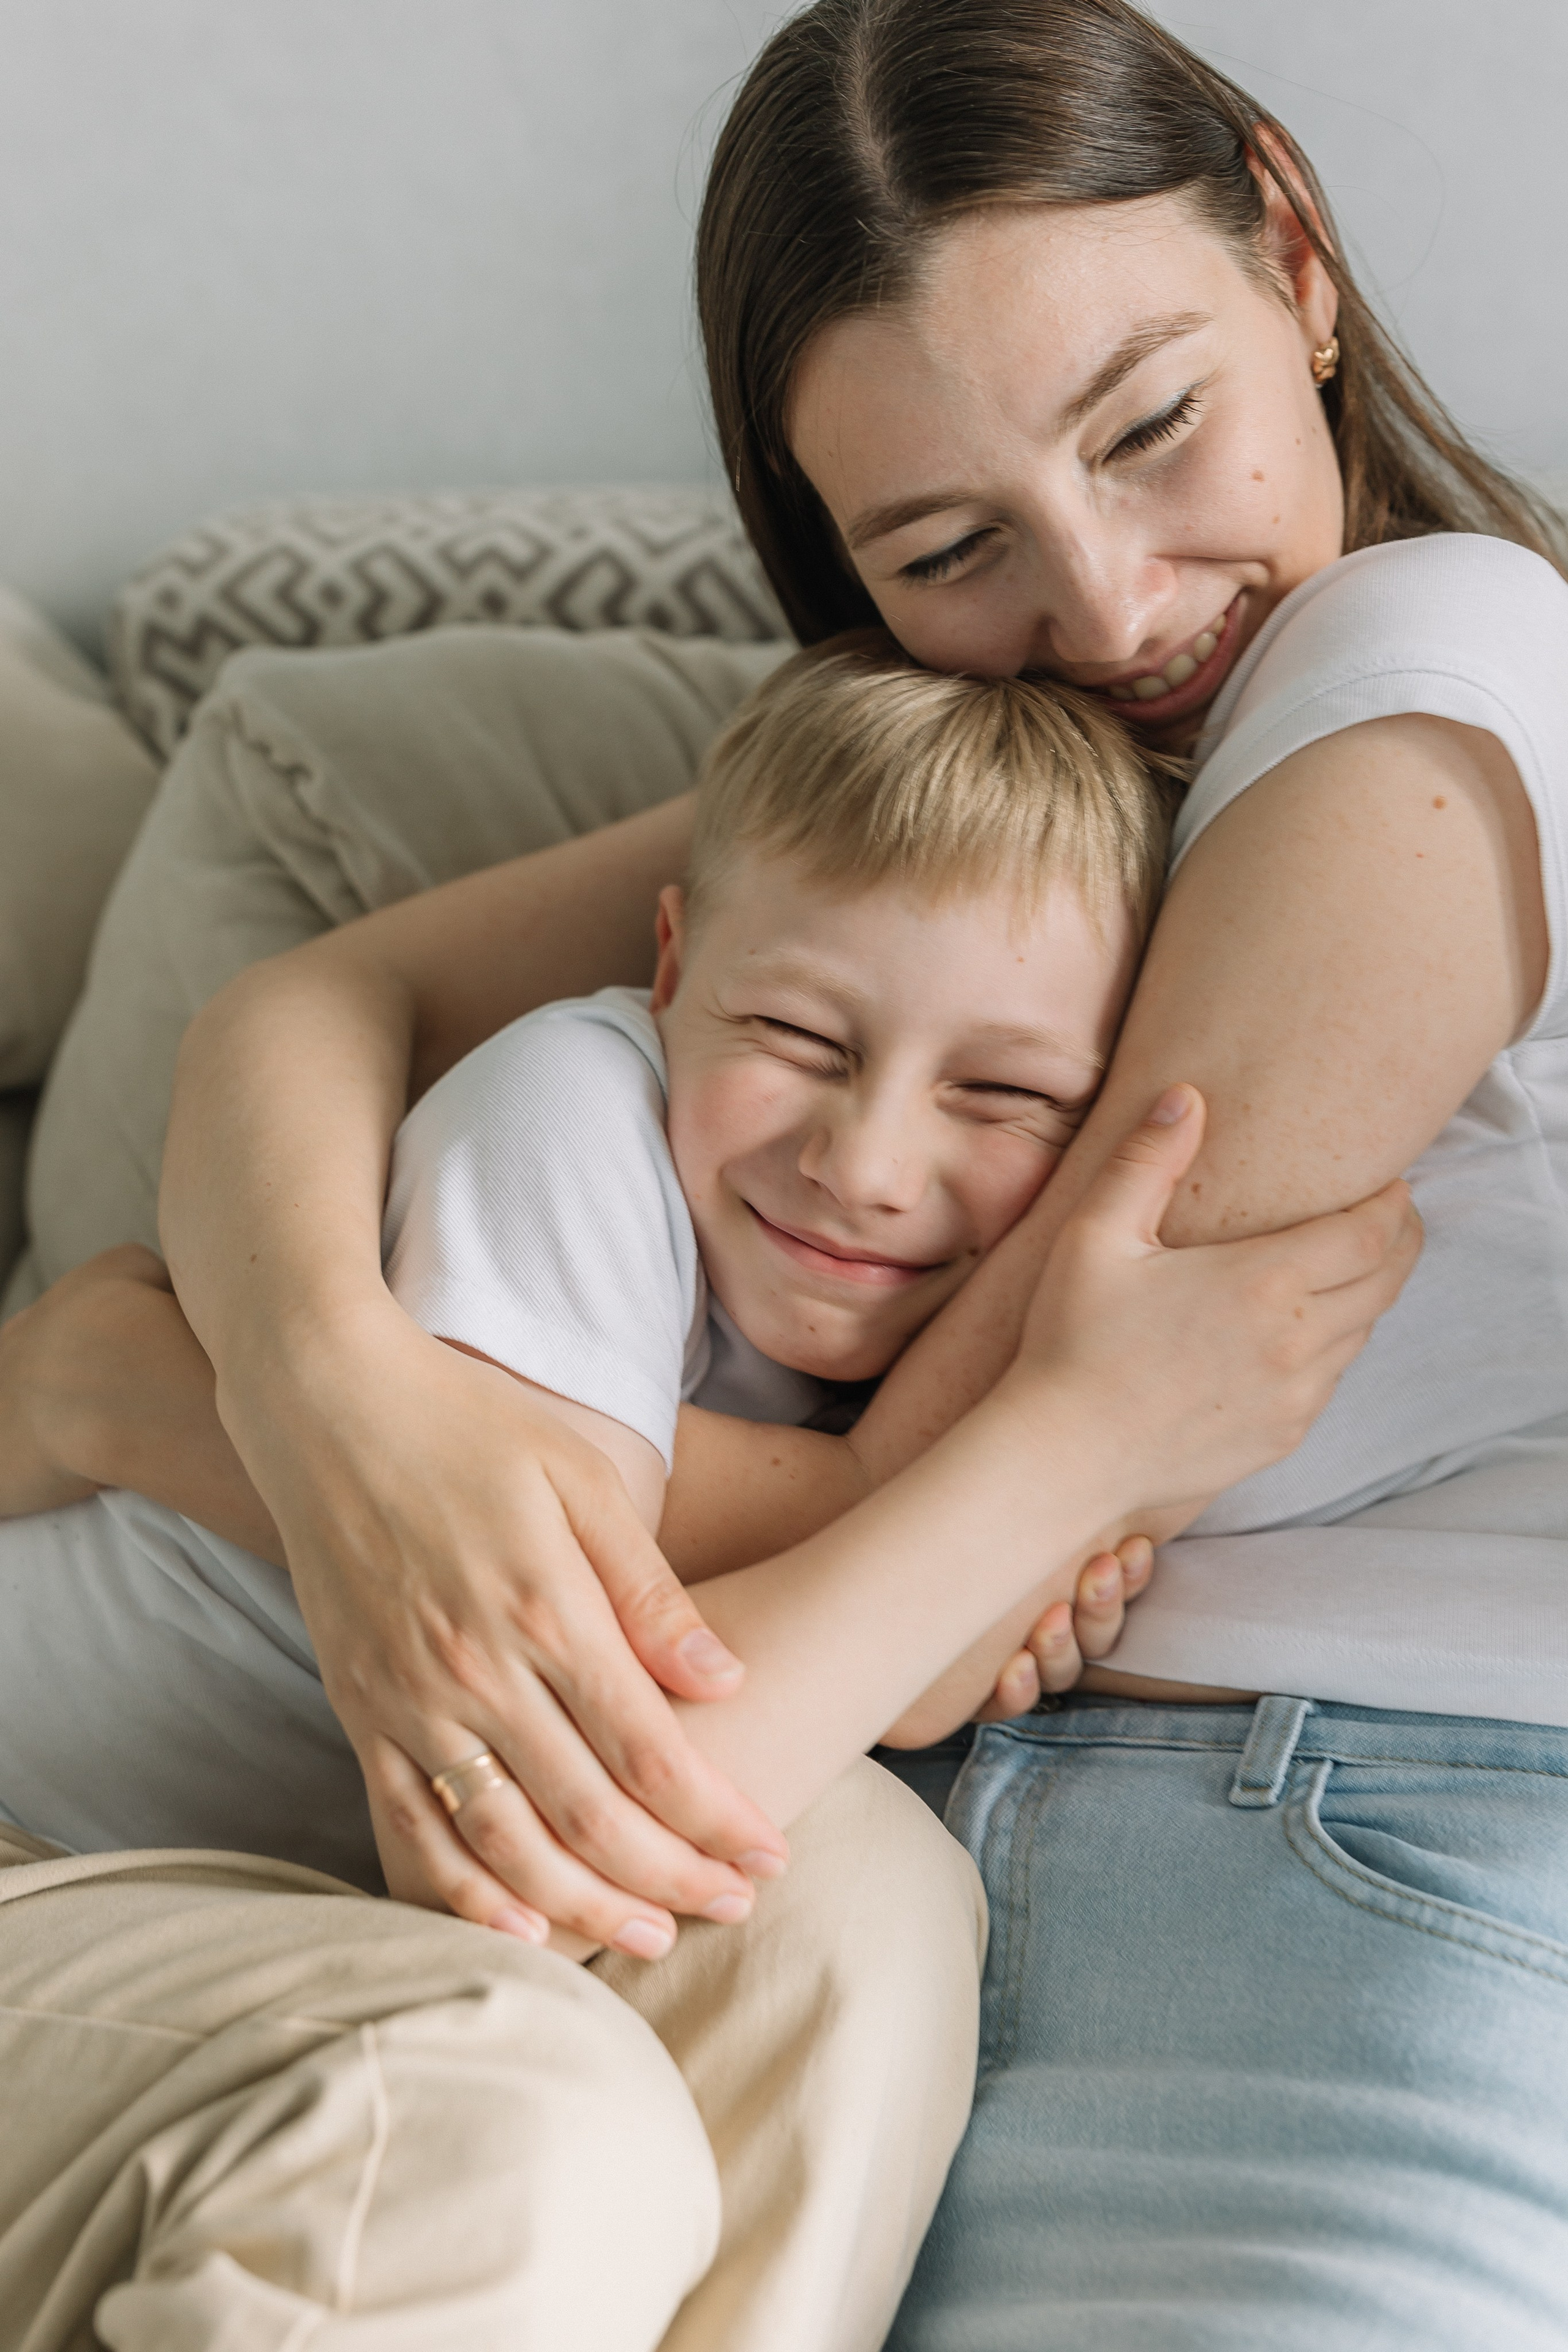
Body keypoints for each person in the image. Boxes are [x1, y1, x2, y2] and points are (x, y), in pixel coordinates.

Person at [9, 0, 1568, 2340]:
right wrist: (331, 1405)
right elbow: (315, 1008)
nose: (1119, 610)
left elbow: (932, 1577)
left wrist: (162, 1408)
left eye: (1157, 424)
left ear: (1300, 251)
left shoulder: (1419, 661)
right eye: (949, 546)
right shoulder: (970, 804)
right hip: (927, 1820)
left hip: (1246, 1825)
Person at [0, 633, 1414, 2348]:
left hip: (261, 1897)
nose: (866, 1164)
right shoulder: (569, 1109)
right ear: (669, 962)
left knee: (873, 1917)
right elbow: (541, 1733)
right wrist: (1065, 1458)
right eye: (801, 1033)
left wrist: (961, 1580)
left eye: (1005, 1093)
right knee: (515, 2105)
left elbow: (880, 1676)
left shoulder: (926, 1306)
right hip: (57, 1838)